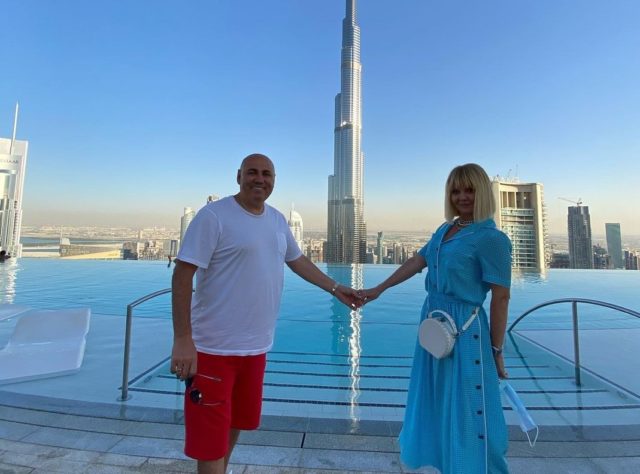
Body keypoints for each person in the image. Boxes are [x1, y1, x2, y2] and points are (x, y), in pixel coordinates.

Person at [171, 153, 361, 474]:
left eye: (266, 174)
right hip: (213, 350)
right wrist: (183, 339)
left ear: (274, 181)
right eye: (252, 172)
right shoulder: (214, 216)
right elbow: (182, 275)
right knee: (210, 439)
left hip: (255, 349)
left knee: (236, 423)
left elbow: (297, 260)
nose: (259, 179)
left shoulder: (276, 219)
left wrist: (335, 287)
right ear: (239, 176)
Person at [360, 163, 512, 474]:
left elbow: (501, 297)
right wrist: (379, 289)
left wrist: (496, 350)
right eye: (455, 191)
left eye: (469, 190)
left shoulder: (491, 238)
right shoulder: (445, 230)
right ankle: (446, 462)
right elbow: (418, 261)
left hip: (465, 330)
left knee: (468, 405)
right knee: (437, 398)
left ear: (483, 192)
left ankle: (476, 467)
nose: (462, 197)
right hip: (434, 326)